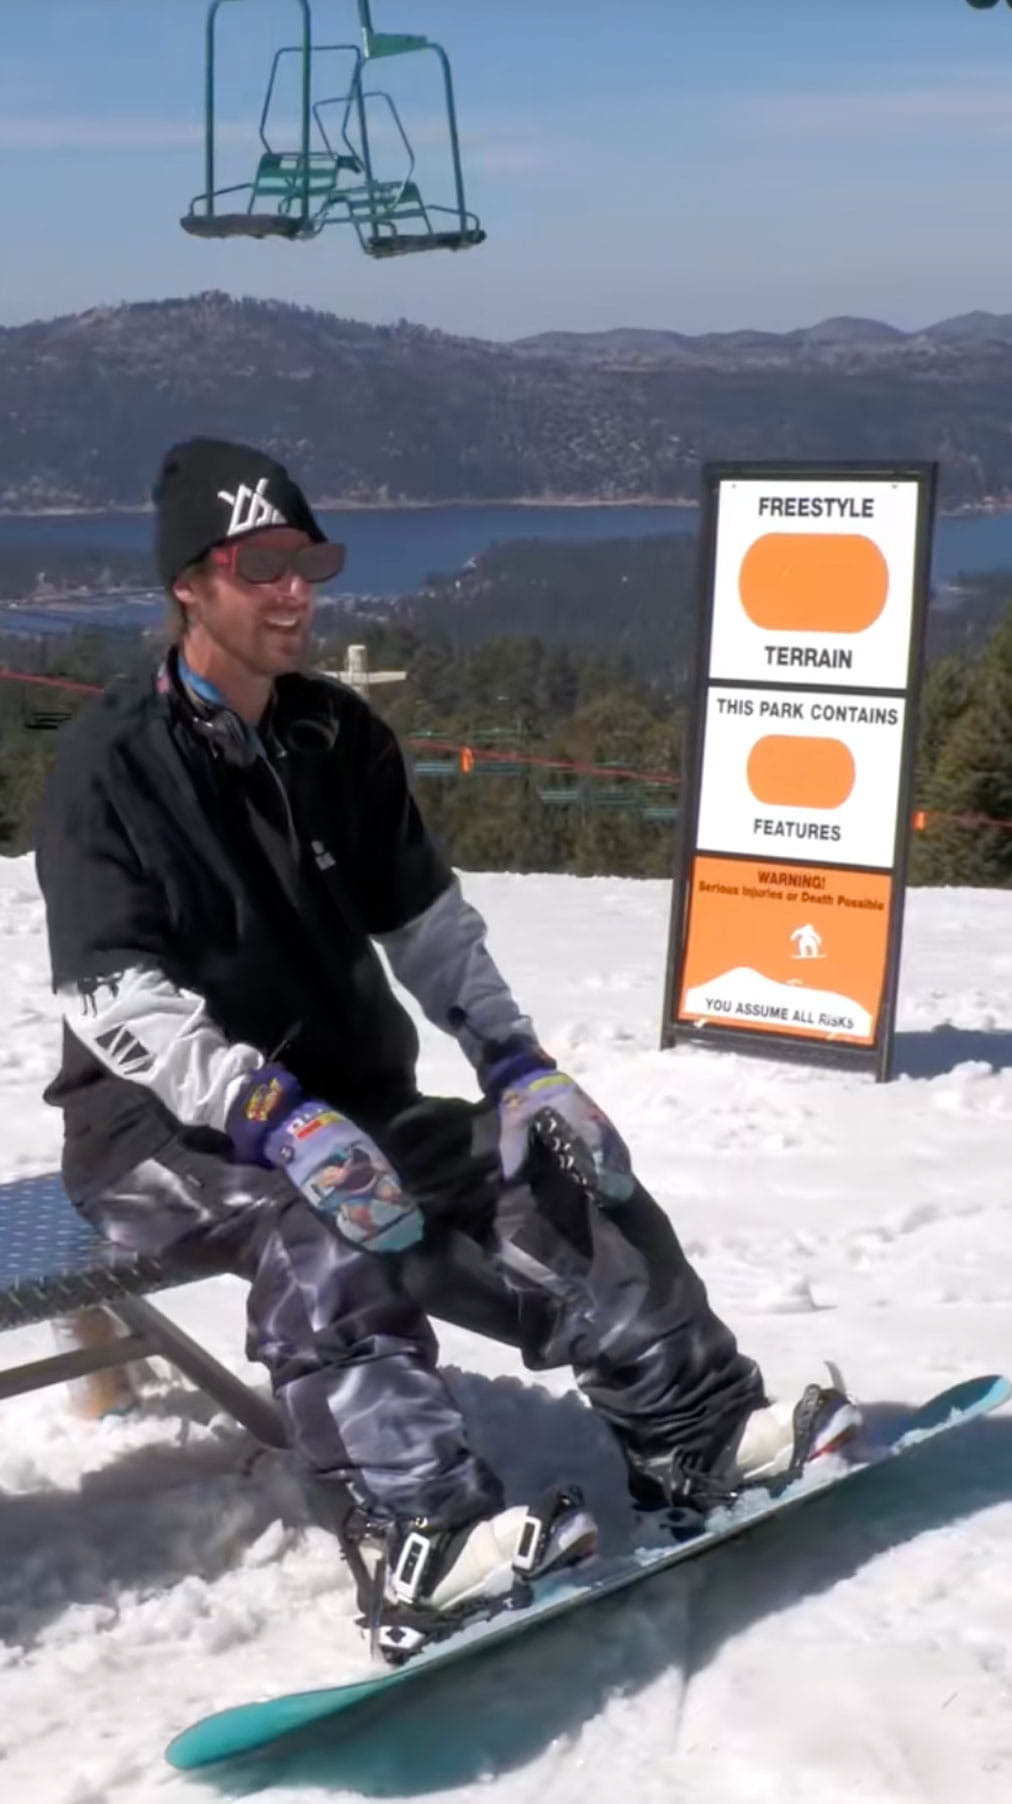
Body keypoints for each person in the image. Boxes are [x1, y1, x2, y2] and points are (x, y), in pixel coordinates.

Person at [34, 438, 857, 1661]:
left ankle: (690, 1427)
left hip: (342, 1097)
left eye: (307, 561)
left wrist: (519, 1066)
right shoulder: (111, 768)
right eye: (260, 566)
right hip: (163, 1135)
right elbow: (116, 996)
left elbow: (426, 927)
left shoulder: (334, 739)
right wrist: (274, 1118)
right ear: (188, 585)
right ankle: (420, 1531)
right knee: (319, 1228)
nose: (294, 591)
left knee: (550, 1170)